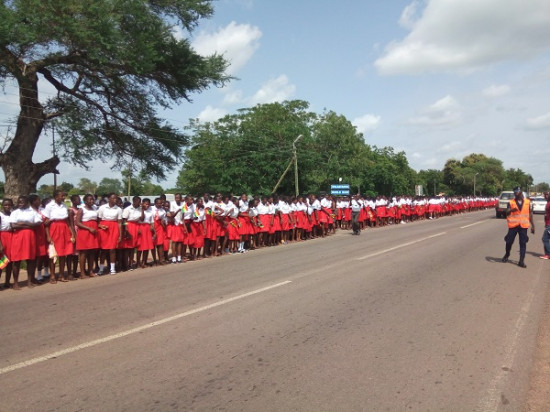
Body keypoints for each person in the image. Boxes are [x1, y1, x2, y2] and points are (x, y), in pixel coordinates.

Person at [502, 187, 535, 268]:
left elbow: (530, 214)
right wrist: (511, 210)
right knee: (509, 242)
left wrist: (533, 225)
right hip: (513, 225)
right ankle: (507, 254)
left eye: (518, 191)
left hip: (523, 226)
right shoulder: (511, 202)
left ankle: (521, 261)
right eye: (515, 192)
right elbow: (506, 212)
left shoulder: (527, 202)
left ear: (521, 192)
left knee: (523, 243)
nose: (516, 193)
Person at [540, 191, 550, 259]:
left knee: (545, 238)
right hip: (548, 224)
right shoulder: (548, 203)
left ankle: (548, 254)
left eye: (546, 195)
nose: (545, 196)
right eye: (544, 195)